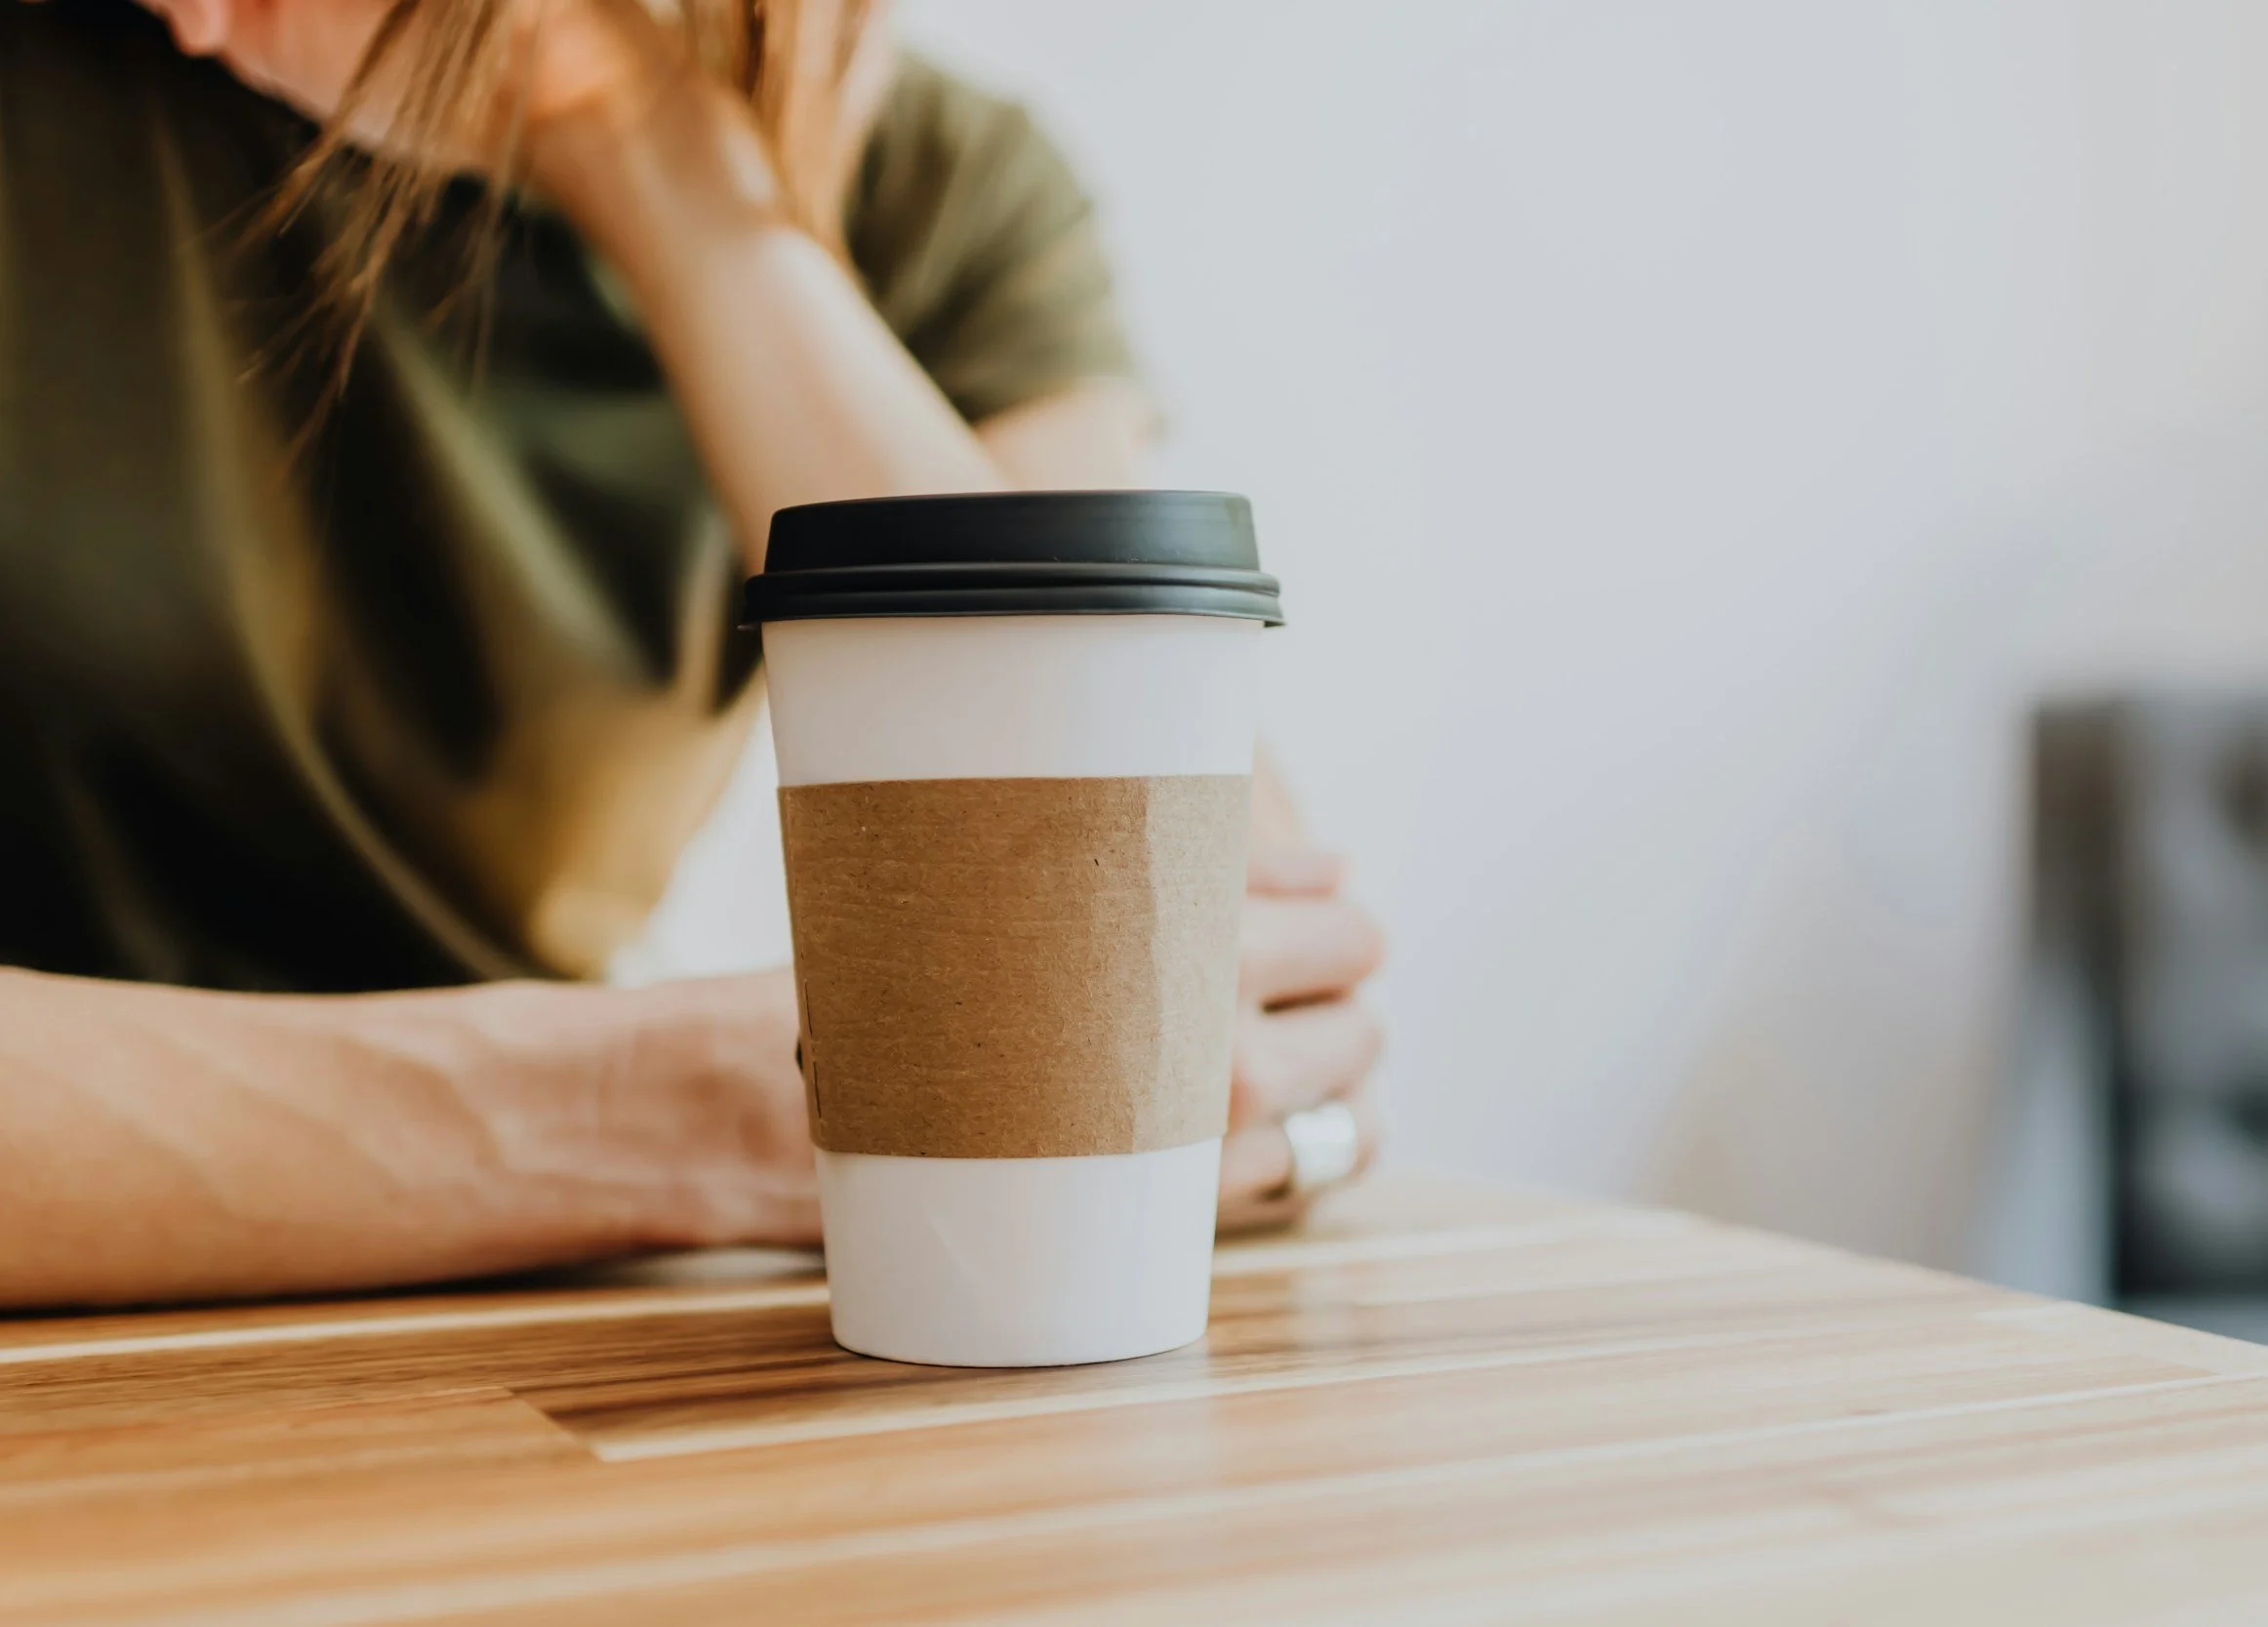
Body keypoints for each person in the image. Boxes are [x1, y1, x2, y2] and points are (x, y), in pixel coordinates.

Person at [0, 0, 1383, 1306]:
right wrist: (659, 1115)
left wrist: (662, 168)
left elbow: (1206, 986)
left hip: (535, 1341)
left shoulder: (924, 194)